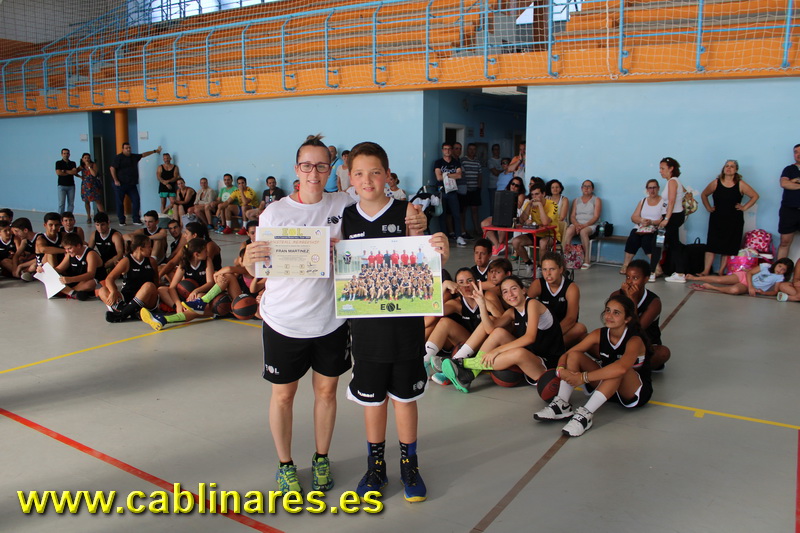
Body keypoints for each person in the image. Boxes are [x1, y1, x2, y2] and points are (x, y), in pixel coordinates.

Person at [240, 134, 426, 496]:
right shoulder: (274, 212)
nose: (314, 172)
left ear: (331, 170)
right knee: (283, 396)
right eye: (307, 165)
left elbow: (381, 207)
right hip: (284, 321)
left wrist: (416, 222)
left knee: (326, 394)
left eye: (321, 165)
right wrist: (248, 261)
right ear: (296, 169)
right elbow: (257, 263)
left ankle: (322, 458)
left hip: (331, 320)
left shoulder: (343, 205)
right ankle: (285, 464)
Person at [342, 140, 448, 503]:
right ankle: (375, 466)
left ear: (387, 175)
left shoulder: (408, 212)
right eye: (359, 173)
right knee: (373, 401)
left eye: (375, 172)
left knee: (404, 398)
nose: (367, 180)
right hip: (366, 331)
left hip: (405, 329)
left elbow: (429, 258)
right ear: (350, 178)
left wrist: (441, 246)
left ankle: (409, 464)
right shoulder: (346, 218)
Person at [534, 294, 653, 437]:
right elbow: (568, 354)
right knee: (575, 355)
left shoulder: (634, 340)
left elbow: (621, 368)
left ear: (627, 319)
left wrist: (582, 378)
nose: (609, 316)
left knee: (617, 369)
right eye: (607, 310)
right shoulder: (599, 333)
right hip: (607, 387)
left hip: (633, 392)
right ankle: (562, 404)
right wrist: (560, 370)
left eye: (616, 313)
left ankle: (586, 415)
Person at [442, 275, 564, 393]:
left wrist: (497, 350)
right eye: (505, 292)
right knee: (498, 332)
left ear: (523, 290)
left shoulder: (533, 304)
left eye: (514, 289)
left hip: (547, 365)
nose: (510, 294)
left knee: (519, 353)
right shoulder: (512, 312)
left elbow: (529, 337)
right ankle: (469, 375)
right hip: (532, 355)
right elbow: (489, 330)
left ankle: (461, 363)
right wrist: (482, 304)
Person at [698, 160, 760, 275]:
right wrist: (708, 207)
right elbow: (704, 194)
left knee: (728, 247)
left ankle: (721, 271)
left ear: (736, 170)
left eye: (732, 166)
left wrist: (744, 207)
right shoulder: (716, 183)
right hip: (717, 219)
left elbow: (755, 196)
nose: (729, 168)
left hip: (734, 220)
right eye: (727, 166)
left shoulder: (740, 184)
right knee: (711, 245)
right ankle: (705, 271)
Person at [141, 238, 216, 330]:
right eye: (205, 251)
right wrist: (177, 304)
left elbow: (210, 283)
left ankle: (170, 316)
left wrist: (196, 290)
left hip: (200, 293)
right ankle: (178, 309)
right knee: (161, 290)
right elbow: (172, 287)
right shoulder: (184, 263)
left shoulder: (207, 261)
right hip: (186, 294)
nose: (207, 253)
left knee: (199, 296)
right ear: (196, 254)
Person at [613, 260, 671, 370]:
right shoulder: (616, 295)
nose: (630, 282)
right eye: (627, 277)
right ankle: (624, 364)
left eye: (635, 278)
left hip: (644, 346)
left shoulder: (654, 302)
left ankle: (624, 365)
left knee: (663, 353)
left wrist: (632, 300)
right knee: (586, 337)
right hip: (619, 343)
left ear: (646, 279)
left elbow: (635, 331)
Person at [528, 251, 588, 349]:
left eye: (552, 269)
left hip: (563, 328)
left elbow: (571, 318)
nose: (548, 273)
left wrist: (552, 334)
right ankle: (551, 348)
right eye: (544, 269)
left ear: (561, 269)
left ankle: (547, 348)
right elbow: (525, 308)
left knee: (580, 328)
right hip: (543, 327)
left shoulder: (571, 287)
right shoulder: (538, 284)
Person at [101, 234, 160, 323]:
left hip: (146, 299)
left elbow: (156, 280)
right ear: (140, 248)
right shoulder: (126, 261)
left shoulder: (152, 261)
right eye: (149, 247)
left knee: (149, 285)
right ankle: (130, 311)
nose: (151, 249)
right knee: (102, 290)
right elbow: (109, 278)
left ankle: (122, 314)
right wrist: (113, 291)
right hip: (127, 296)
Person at [652, 157, 688, 283]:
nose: (660, 171)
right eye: (660, 168)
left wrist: (666, 219)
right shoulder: (674, 182)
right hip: (673, 216)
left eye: (663, 168)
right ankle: (680, 273)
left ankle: (652, 272)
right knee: (674, 244)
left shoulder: (672, 181)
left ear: (671, 168)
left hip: (673, 217)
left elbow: (671, 201)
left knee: (657, 242)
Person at [620, 179, 667, 275]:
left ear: (658, 188)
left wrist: (652, 222)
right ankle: (626, 264)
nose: (652, 190)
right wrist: (642, 220)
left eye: (654, 187)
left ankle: (656, 267)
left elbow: (663, 220)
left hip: (655, 229)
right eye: (650, 188)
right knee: (633, 238)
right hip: (641, 228)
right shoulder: (643, 201)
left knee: (647, 241)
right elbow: (634, 217)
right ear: (647, 189)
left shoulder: (663, 202)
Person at [109, 143, 161, 226]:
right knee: (120, 203)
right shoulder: (119, 157)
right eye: (126, 148)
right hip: (120, 184)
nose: (128, 149)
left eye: (129, 148)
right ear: (123, 149)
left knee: (136, 200)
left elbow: (143, 155)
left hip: (131, 184)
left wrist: (155, 151)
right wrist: (116, 180)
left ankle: (136, 219)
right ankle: (121, 220)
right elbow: (112, 168)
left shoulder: (134, 157)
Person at [686, 258, 793, 296]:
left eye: (783, 269)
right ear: (776, 264)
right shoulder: (766, 266)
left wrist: (763, 293)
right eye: (779, 266)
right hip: (745, 277)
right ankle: (695, 278)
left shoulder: (780, 278)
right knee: (720, 279)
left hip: (746, 287)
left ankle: (712, 287)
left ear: (786, 272)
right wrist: (751, 286)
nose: (780, 270)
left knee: (735, 290)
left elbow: (775, 291)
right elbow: (750, 273)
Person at [511, 183, 555, 272]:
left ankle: (541, 267)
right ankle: (528, 263)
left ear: (543, 194)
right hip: (535, 234)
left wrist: (540, 205)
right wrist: (529, 206)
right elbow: (522, 220)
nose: (534, 197)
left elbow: (545, 222)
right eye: (532, 195)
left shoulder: (552, 204)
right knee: (515, 241)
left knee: (543, 243)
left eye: (537, 194)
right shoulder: (530, 203)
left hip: (550, 235)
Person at [562, 180, 602, 270]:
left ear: (592, 189)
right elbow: (572, 216)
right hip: (577, 224)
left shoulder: (596, 200)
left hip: (590, 224)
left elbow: (596, 217)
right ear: (581, 188)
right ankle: (566, 258)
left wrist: (583, 226)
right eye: (584, 186)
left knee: (583, 232)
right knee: (569, 231)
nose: (586, 188)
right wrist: (577, 225)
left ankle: (586, 260)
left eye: (589, 186)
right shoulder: (576, 200)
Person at [481, 177, 526, 255]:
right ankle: (497, 245)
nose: (514, 186)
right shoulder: (504, 193)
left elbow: (518, 206)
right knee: (484, 224)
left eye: (517, 185)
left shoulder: (520, 195)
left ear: (520, 188)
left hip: (513, 218)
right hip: (500, 215)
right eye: (513, 184)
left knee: (502, 224)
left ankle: (499, 246)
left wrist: (512, 195)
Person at [434, 142, 465, 246]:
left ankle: (459, 236)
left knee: (456, 214)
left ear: (451, 150)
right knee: (442, 215)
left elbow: (459, 175)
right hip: (441, 191)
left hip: (452, 191)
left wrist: (446, 175)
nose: (447, 151)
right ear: (442, 150)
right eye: (445, 149)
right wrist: (452, 174)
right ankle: (444, 237)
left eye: (449, 149)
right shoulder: (438, 162)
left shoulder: (456, 162)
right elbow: (438, 177)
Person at [53, 232, 102, 300]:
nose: (67, 251)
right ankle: (73, 293)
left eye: (69, 248)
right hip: (77, 281)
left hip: (90, 281)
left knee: (90, 284)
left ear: (78, 246)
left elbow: (91, 274)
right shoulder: (69, 254)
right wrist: (44, 270)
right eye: (66, 249)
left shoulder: (90, 254)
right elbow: (59, 269)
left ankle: (67, 292)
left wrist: (71, 279)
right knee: (55, 277)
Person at [777, 144, 800, 260]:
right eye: (796, 152)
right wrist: (790, 182)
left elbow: (789, 184)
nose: (798, 154)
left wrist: (795, 182)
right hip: (789, 210)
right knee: (784, 242)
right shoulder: (789, 169)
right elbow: (784, 183)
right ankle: (778, 270)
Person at [88, 212, 125, 277]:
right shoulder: (94, 234)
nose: (100, 227)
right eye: (97, 225)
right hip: (103, 260)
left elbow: (120, 253)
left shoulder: (115, 235)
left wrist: (106, 265)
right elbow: (88, 251)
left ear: (108, 223)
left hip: (115, 261)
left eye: (102, 225)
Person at [460, 143, 483, 239]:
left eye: (474, 149)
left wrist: (479, 187)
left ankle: (477, 229)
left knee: (475, 210)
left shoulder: (477, 162)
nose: (472, 151)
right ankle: (463, 230)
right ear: (467, 150)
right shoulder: (463, 161)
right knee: (463, 210)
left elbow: (480, 175)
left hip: (475, 189)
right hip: (465, 190)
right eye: (470, 149)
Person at [77, 152, 103, 223]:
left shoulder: (93, 165)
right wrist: (80, 176)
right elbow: (75, 171)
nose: (87, 159)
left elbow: (94, 174)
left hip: (93, 185)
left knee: (98, 201)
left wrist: (89, 167)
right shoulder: (81, 166)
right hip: (85, 185)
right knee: (86, 201)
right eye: (85, 158)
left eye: (88, 158)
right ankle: (88, 216)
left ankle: (103, 216)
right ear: (82, 159)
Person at [55, 148, 78, 215]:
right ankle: (60, 217)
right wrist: (70, 172)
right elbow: (59, 173)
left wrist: (64, 171)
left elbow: (74, 172)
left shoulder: (72, 163)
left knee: (71, 203)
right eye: (64, 153)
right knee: (61, 203)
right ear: (62, 154)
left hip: (71, 186)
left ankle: (69, 216)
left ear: (69, 154)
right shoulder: (58, 163)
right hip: (61, 186)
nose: (66, 155)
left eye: (67, 153)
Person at [545, 179, 568, 244]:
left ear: (560, 189)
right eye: (552, 187)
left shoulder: (564, 199)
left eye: (557, 187)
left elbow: (562, 217)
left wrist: (550, 222)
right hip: (547, 224)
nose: (555, 189)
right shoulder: (546, 198)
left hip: (560, 224)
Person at [487, 144, 503, 213]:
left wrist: (500, 171)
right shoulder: (490, 161)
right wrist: (503, 171)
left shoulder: (502, 160)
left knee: (501, 207)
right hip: (492, 186)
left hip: (501, 187)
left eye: (498, 149)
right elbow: (495, 172)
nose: (497, 151)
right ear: (492, 151)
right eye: (495, 149)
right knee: (493, 206)